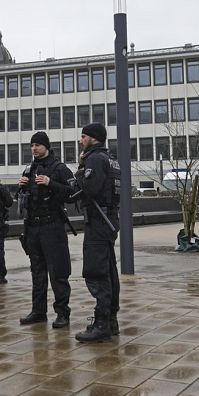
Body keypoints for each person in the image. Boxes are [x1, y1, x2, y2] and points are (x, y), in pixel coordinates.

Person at [17, 131, 75, 328]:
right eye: (32, 145)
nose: (34, 148)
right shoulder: (30, 168)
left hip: (53, 226)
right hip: (33, 226)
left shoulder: (59, 168)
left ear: (46, 147)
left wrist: (51, 183)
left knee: (58, 272)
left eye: (37, 145)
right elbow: (24, 197)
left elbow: (73, 194)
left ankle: (62, 313)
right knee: (37, 271)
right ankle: (38, 311)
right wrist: (22, 186)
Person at [71, 123, 121, 343]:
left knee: (96, 272)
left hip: (99, 221)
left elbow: (86, 189)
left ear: (93, 138)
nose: (81, 140)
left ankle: (101, 324)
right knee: (109, 271)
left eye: (83, 136)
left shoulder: (94, 159)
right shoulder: (111, 158)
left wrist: (81, 168)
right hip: (109, 218)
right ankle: (111, 321)